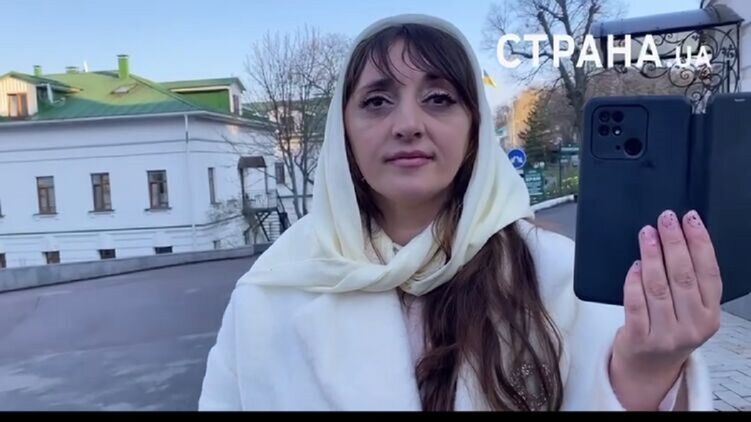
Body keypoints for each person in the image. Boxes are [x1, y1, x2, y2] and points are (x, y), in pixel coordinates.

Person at [198, 14, 720, 411]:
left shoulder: (559, 277)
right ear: (343, 132)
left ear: (474, 129)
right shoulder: (271, 293)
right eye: (377, 101)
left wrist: (647, 371)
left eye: (439, 98)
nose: (408, 123)